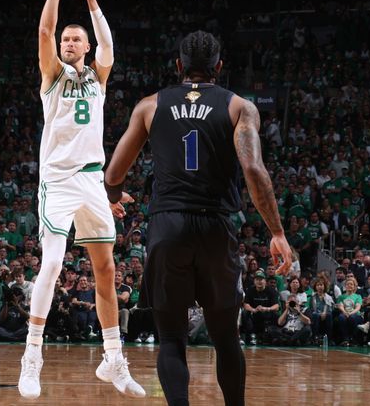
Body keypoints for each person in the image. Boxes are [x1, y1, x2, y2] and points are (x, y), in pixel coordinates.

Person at [103, 30, 293, 406]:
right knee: (226, 338)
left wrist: (112, 197)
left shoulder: (149, 106)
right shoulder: (239, 106)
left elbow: (113, 175)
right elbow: (254, 170)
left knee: (172, 338)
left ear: (178, 66)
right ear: (219, 68)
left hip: (167, 226)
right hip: (215, 227)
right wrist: (277, 232)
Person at [18, 0, 143, 399]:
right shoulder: (52, 75)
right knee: (51, 264)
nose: (69, 42)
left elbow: (109, 46)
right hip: (58, 181)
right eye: (66, 39)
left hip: (92, 180)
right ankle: (32, 356)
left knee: (105, 269)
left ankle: (113, 359)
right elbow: (44, 32)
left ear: (86, 47)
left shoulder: (99, 77)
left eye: (77, 39)